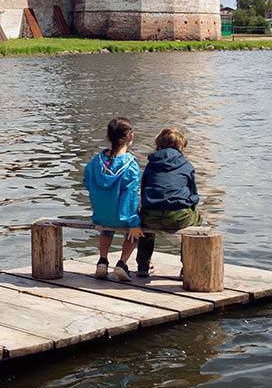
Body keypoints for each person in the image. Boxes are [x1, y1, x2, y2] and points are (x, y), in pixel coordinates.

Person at [83, 117, 143, 280]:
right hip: (123, 218)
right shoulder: (131, 164)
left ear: (108, 137)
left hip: (100, 216)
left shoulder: (95, 162)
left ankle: (102, 261)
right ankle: (122, 263)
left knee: (106, 229)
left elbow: (87, 182)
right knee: (135, 231)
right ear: (130, 136)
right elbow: (130, 197)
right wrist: (134, 223)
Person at [137, 127, 201, 279]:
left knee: (144, 223)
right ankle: (187, 266)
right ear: (181, 146)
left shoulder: (151, 164)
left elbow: (144, 190)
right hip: (178, 216)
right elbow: (193, 194)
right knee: (197, 219)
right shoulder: (186, 165)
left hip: (152, 217)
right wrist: (190, 203)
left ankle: (143, 266)